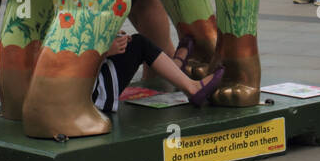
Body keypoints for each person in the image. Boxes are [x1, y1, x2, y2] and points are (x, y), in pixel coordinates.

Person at [91, 33, 225, 111]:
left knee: (136, 43)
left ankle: (174, 69)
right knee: (139, 45)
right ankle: (191, 86)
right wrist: (103, 51)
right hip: (91, 98)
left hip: (94, 76)